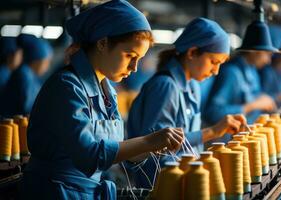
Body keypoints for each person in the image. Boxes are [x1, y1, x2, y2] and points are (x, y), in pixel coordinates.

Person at [21, 1, 184, 199]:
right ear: (102, 43)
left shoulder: (107, 91)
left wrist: (153, 147)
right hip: (57, 191)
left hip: (87, 192)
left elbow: (114, 149)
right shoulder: (66, 87)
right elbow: (90, 155)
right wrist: (149, 140)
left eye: (139, 59)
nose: (134, 68)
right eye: (129, 55)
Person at [127, 17, 247, 188]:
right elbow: (158, 148)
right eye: (214, 62)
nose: (216, 71)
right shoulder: (165, 86)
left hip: (186, 183)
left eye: (220, 64)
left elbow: (187, 146)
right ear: (192, 53)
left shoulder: (193, 86)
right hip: (163, 187)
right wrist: (213, 131)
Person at [204, 51, 276, 130]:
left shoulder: (252, 70)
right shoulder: (231, 72)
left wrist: (261, 98)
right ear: (254, 52)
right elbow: (213, 113)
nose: (268, 61)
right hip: (229, 138)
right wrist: (252, 106)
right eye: (267, 54)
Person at [0, 34, 52, 116]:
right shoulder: (23, 75)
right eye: (45, 62)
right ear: (36, 60)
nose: (47, 67)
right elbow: (29, 108)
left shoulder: (30, 76)